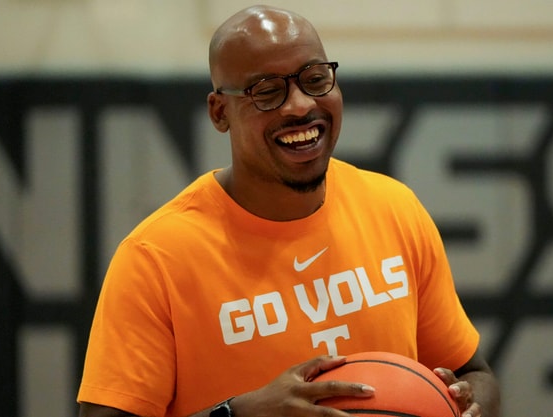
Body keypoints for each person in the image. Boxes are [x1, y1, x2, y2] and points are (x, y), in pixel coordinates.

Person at [77, 5, 500, 417]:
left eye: (315, 79)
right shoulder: (156, 257)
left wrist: (470, 403)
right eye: (266, 90)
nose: (299, 105)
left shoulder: (394, 208)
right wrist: (237, 413)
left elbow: (472, 372)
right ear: (219, 112)